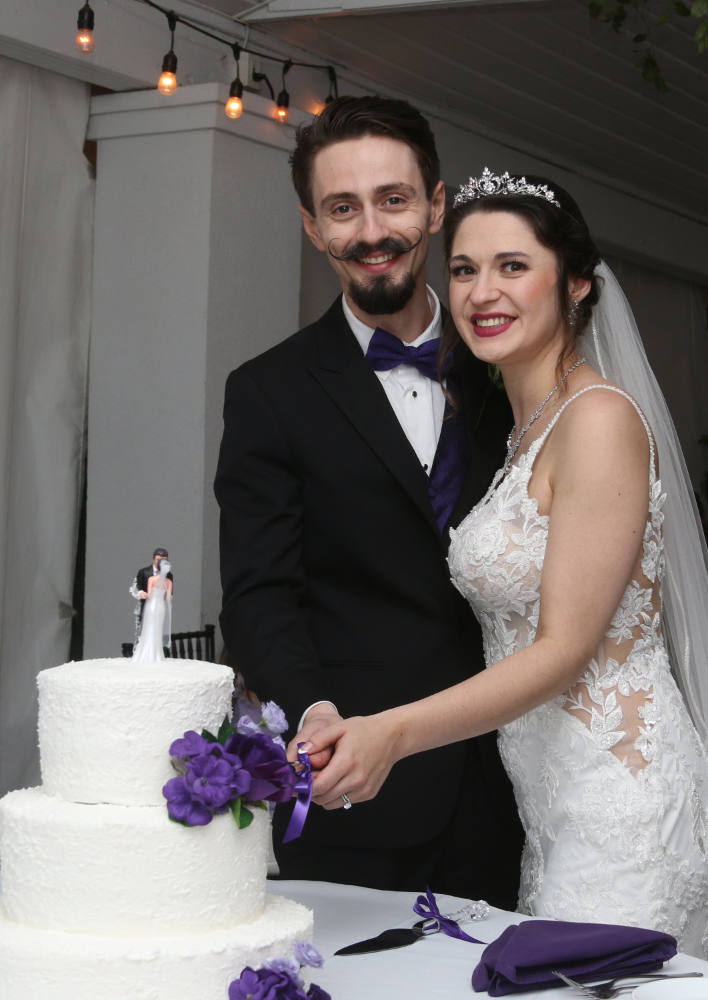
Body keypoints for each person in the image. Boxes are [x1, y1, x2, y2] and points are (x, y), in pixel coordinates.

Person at [297, 168, 708, 954]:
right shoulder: (522, 432)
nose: (483, 292)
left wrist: (391, 733)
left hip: (620, 810)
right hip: (550, 806)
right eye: (464, 269)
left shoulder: (597, 420)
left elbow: (564, 650)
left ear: (576, 283)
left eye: (513, 266)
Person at [215, 97, 525, 906]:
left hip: (522, 785)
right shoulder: (268, 392)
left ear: (436, 204)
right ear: (312, 225)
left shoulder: (516, 370)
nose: (372, 231)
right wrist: (313, 710)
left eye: (393, 200)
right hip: (359, 790)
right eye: (343, 208)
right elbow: (259, 595)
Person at [130, 548, 173, 647]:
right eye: (158, 560)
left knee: (158, 629)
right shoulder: (144, 572)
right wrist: (141, 593)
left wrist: (168, 597)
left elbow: (170, 593)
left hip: (161, 606)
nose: (161, 563)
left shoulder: (169, 576)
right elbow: (136, 587)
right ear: (154, 559)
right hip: (146, 605)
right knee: (144, 629)